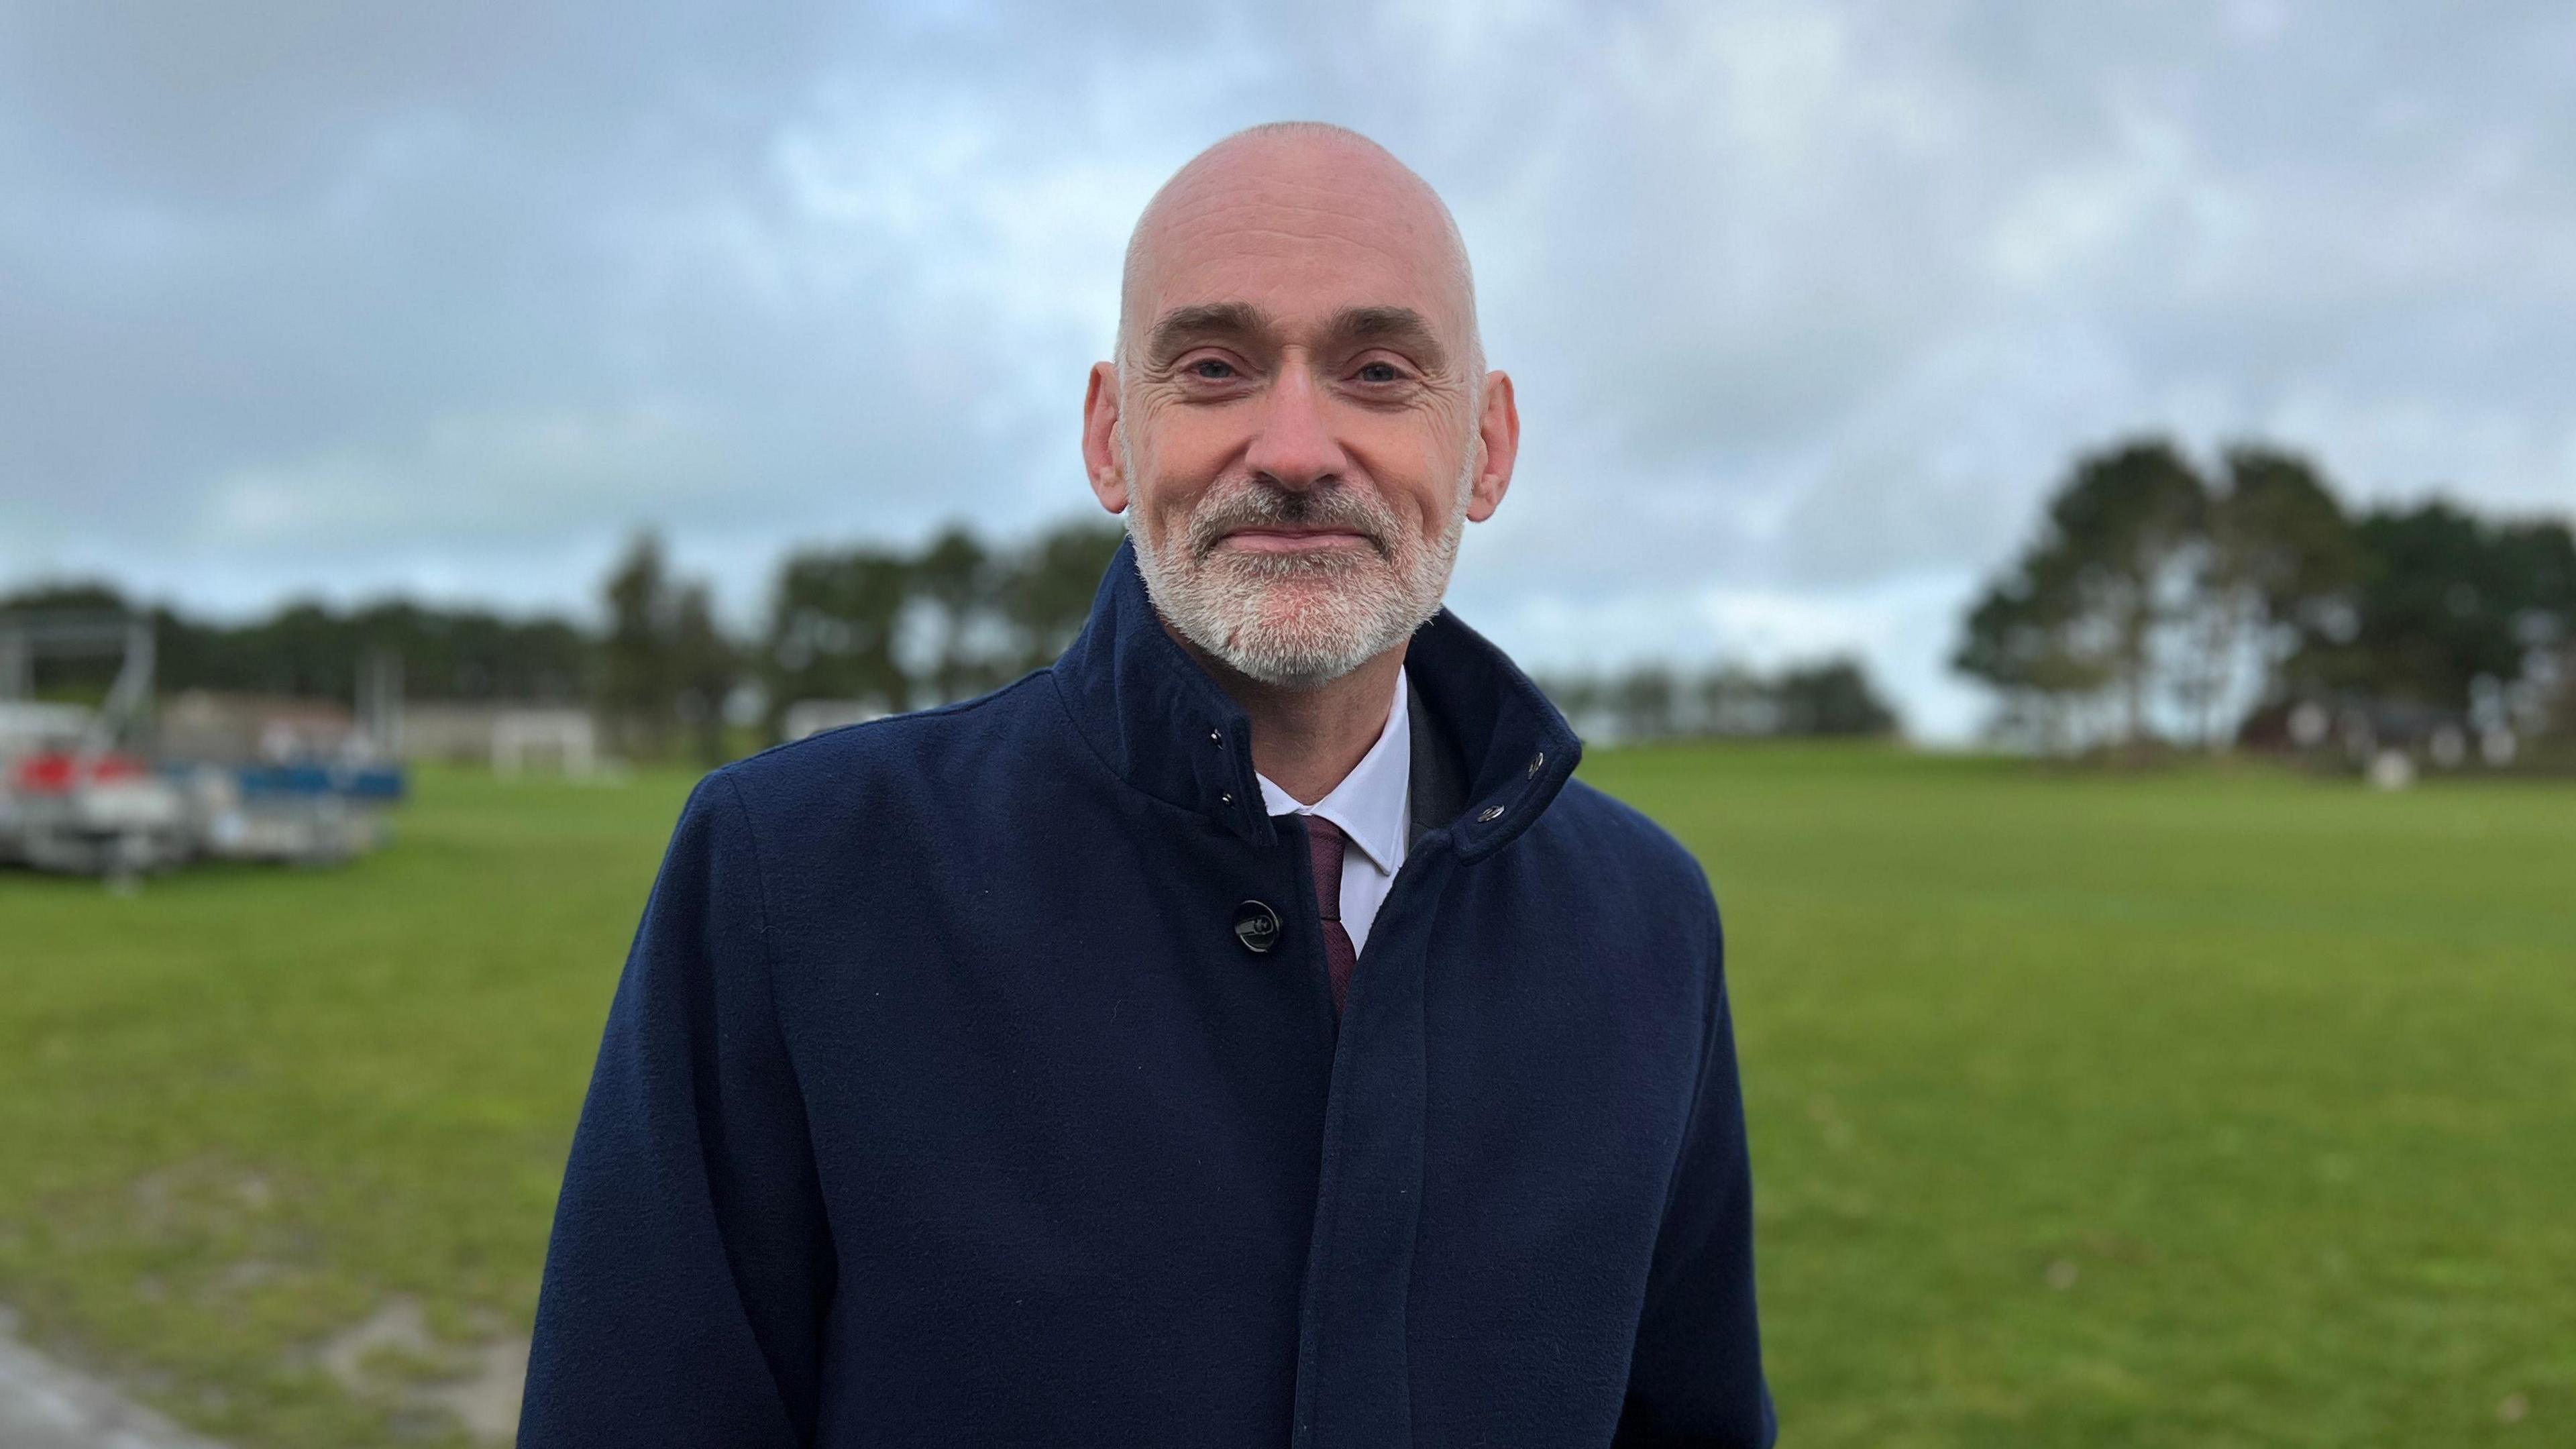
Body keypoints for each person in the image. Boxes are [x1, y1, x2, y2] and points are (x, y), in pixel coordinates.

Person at [519, 121, 1772, 1448]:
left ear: (1491, 444)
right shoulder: (792, 874)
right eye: (1217, 367)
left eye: (1380, 370)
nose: (1296, 448)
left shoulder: (1646, 922)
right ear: (1113, 435)